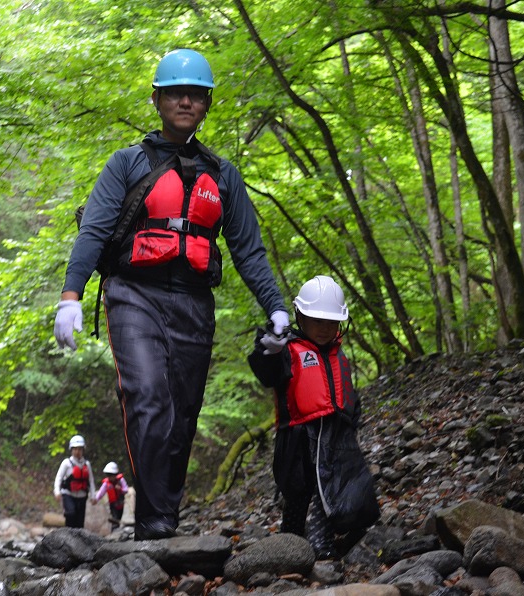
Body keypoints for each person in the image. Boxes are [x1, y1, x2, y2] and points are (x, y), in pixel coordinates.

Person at [54, 48, 289, 540]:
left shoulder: (222, 176)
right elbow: (93, 233)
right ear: (157, 99)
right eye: (176, 93)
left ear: (206, 104)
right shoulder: (126, 164)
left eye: (196, 94)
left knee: (183, 415)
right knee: (148, 398)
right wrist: (71, 296)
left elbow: (249, 251)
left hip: (193, 303)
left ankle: (164, 518)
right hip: (132, 296)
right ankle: (155, 526)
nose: (186, 101)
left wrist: (278, 309)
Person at [248, 275, 380, 559]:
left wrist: (352, 421)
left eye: (331, 322)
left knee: (332, 487)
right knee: (296, 491)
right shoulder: (287, 350)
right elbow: (267, 373)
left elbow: (348, 393)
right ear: (300, 317)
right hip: (297, 434)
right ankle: (291, 541)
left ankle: (323, 541)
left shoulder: (337, 354)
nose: (324, 329)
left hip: (334, 434)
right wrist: (266, 348)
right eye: (317, 321)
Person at [53, 434, 97, 529]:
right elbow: (59, 478)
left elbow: (91, 481)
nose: (77, 452)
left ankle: (78, 541)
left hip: (82, 496)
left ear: (83, 450)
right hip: (68, 494)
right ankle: (68, 535)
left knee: (79, 522)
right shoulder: (66, 463)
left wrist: (93, 495)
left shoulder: (87, 464)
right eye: (75, 449)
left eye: (80, 449)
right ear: (71, 450)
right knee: (71, 514)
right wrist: (57, 491)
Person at [93, 461, 129, 530]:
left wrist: (120, 489)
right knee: (114, 518)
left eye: (111, 475)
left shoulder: (121, 480)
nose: (110, 477)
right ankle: (114, 531)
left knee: (118, 518)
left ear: (115, 474)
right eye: (108, 475)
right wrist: (96, 499)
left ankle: (118, 532)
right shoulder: (106, 483)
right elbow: (101, 492)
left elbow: (126, 490)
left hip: (120, 504)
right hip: (113, 505)